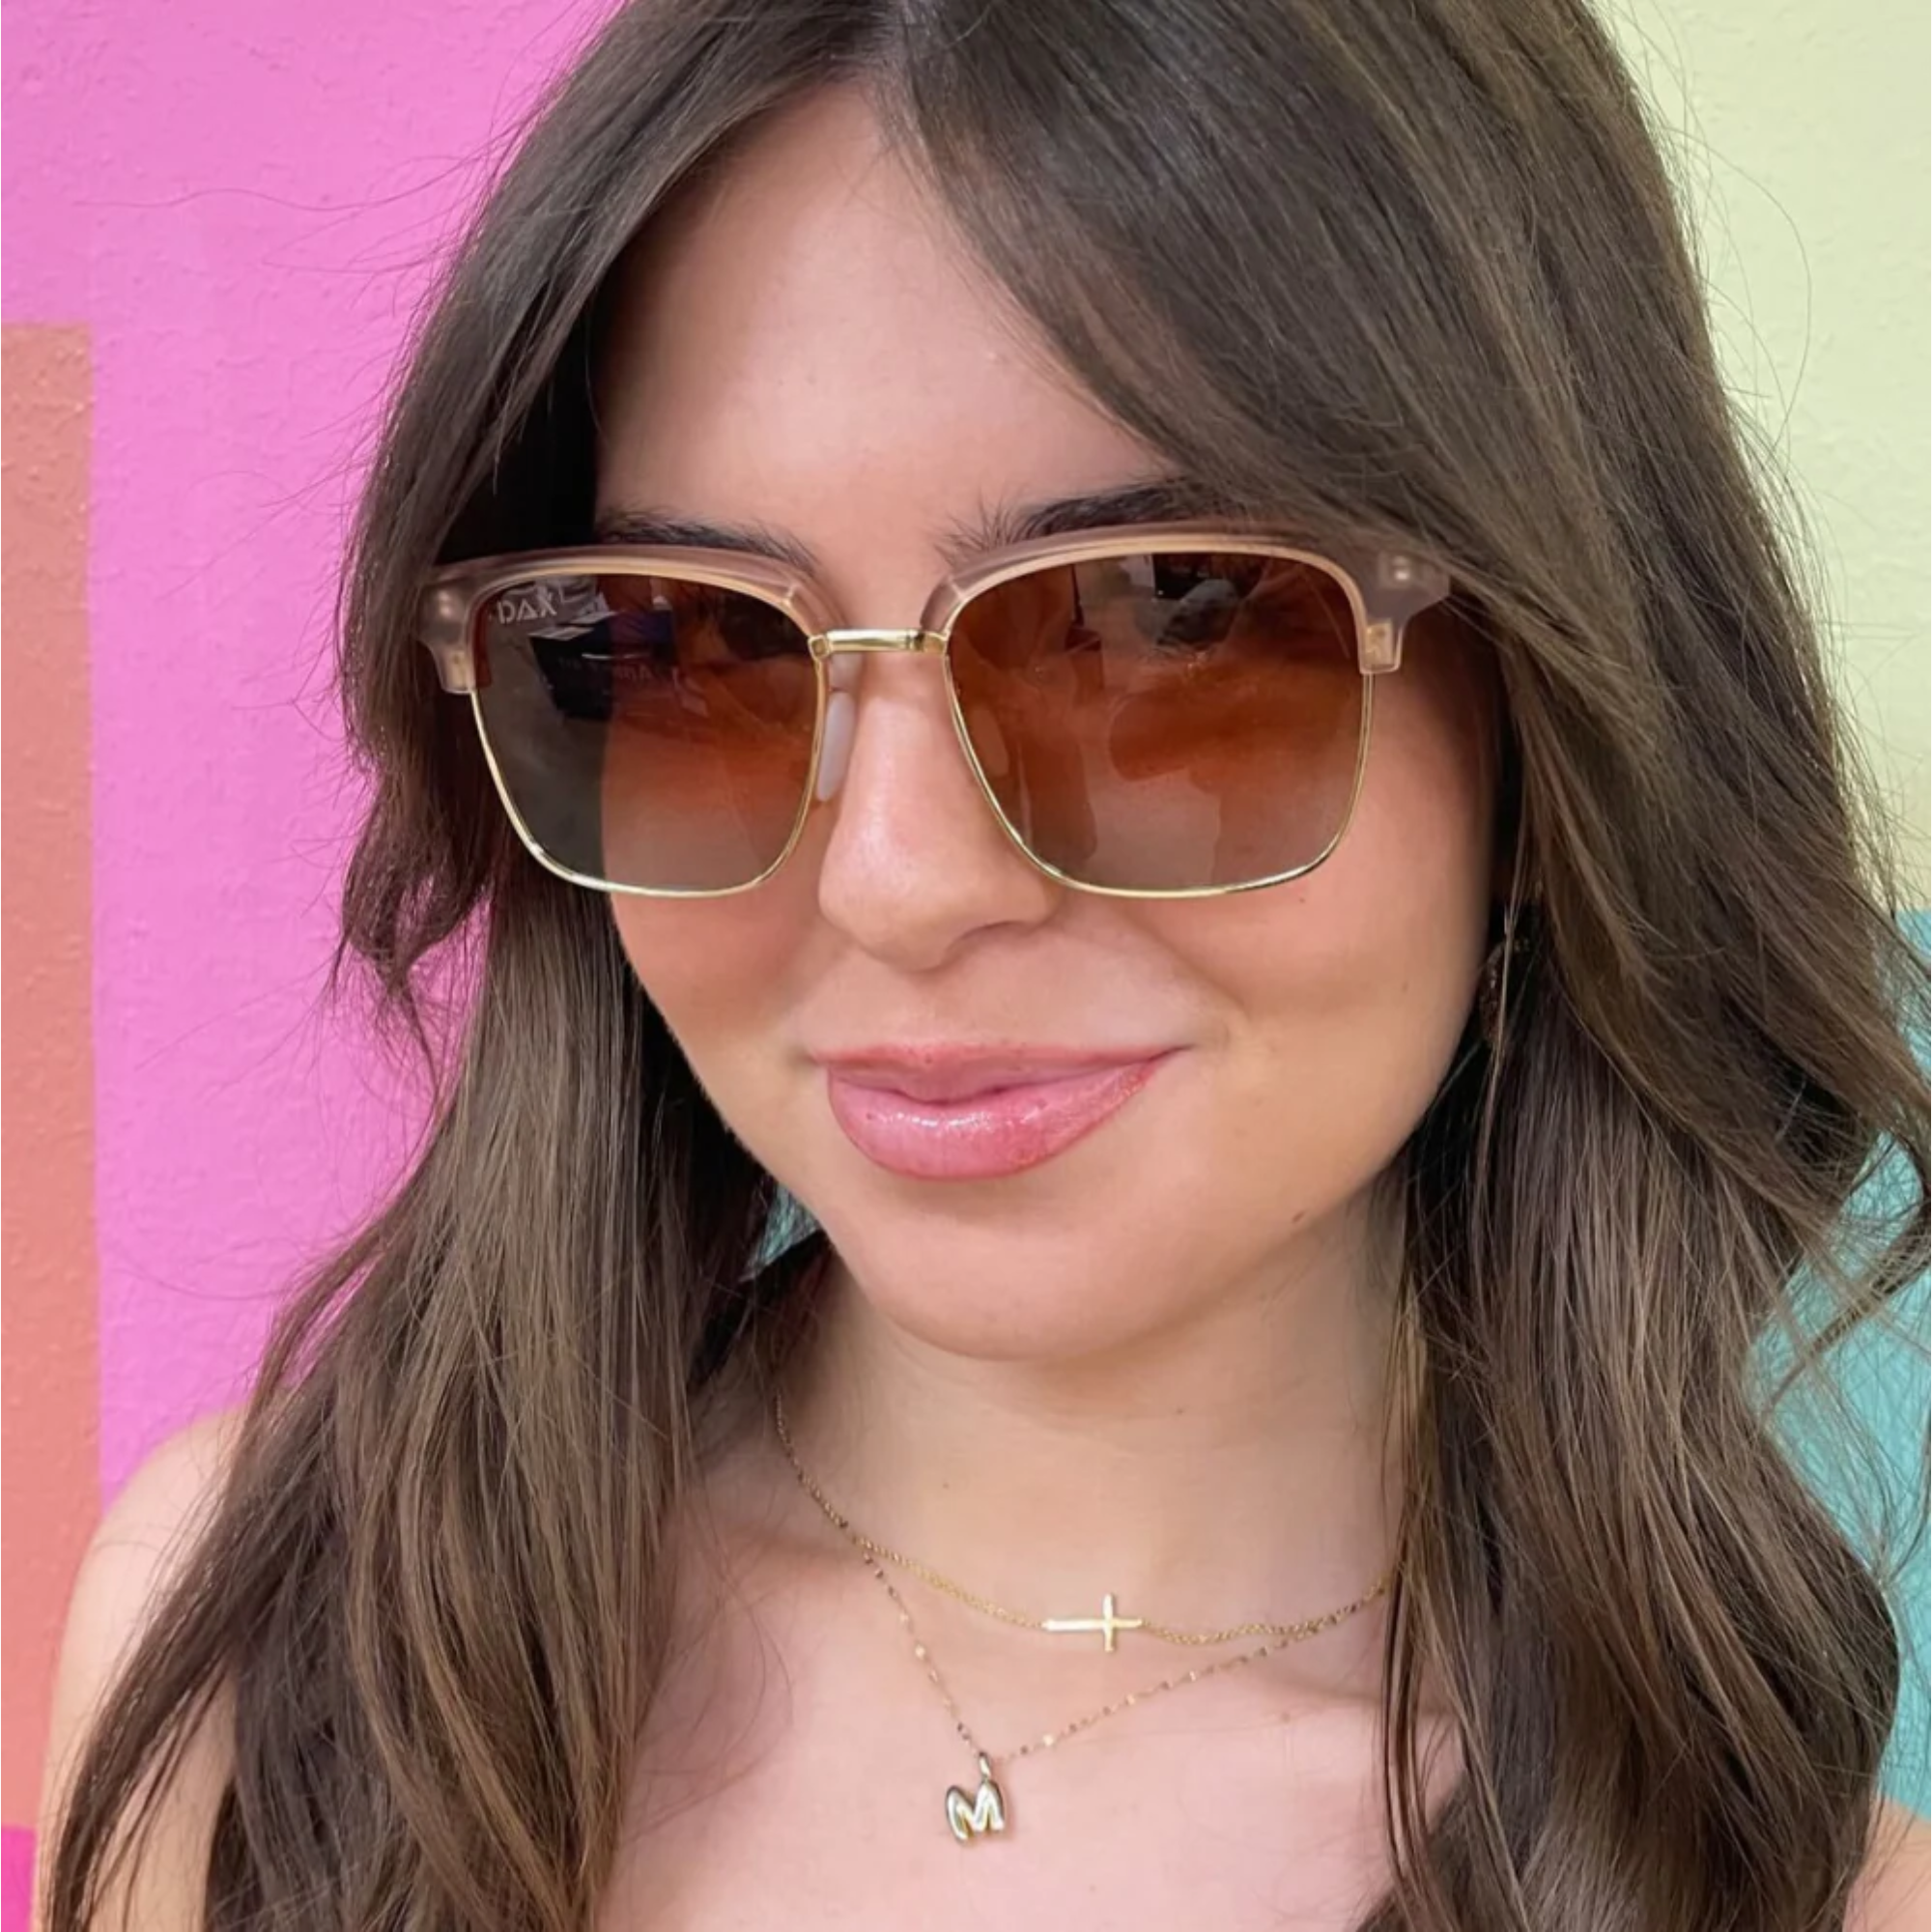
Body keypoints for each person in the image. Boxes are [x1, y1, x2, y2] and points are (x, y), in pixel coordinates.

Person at [31, 3, 1931, 1927]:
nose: (897, 883)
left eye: (1164, 623)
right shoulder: (273, 1669)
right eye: (687, 644)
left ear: (1552, 711)